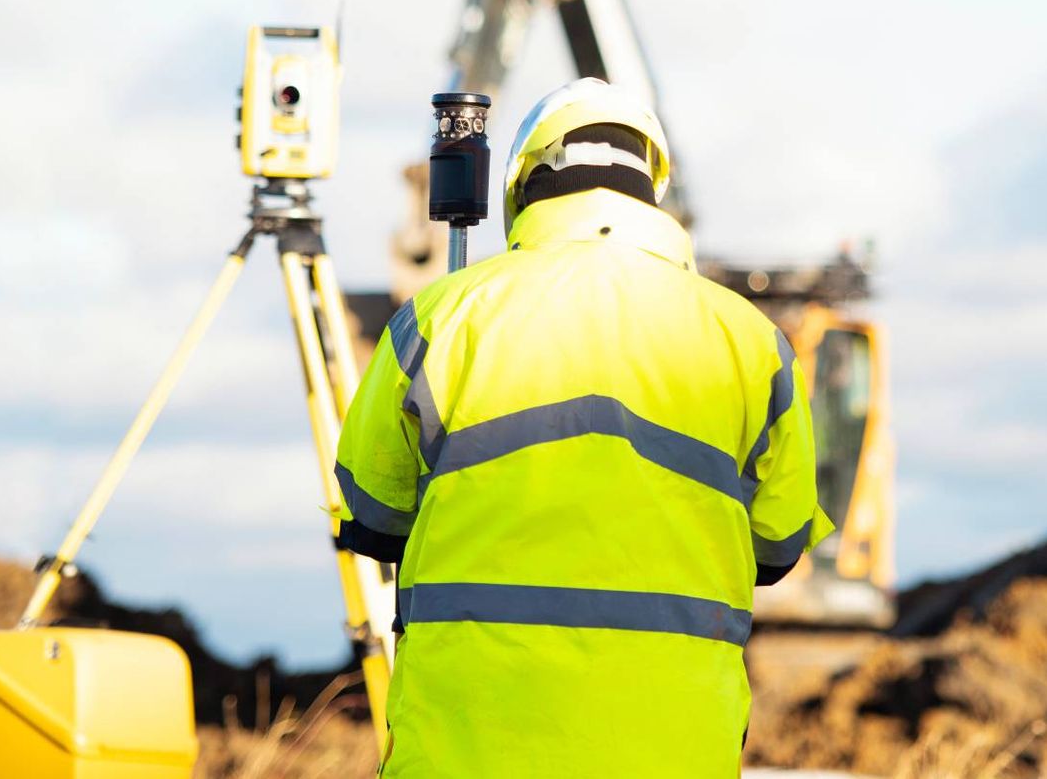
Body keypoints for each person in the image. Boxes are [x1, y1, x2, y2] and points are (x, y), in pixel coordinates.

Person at [333, 77, 831, 777]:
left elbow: (373, 514)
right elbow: (778, 546)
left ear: (524, 184)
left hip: (466, 751)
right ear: (652, 186)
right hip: (672, 752)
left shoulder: (439, 316)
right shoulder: (752, 342)